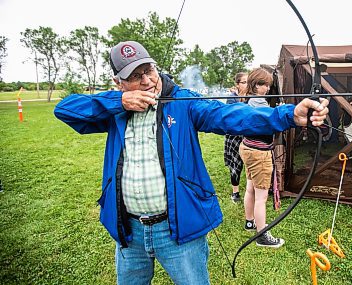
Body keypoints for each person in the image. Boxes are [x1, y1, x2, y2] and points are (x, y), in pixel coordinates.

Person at [54, 41, 329, 285]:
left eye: (148, 70)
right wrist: (120, 102)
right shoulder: (115, 108)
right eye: (135, 77)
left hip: (177, 229)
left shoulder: (183, 101)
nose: (147, 81)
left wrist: (289, 115)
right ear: (119, 83)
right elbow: (65, 109)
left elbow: (230, 115)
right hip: (129, 230)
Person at [239, 68, 284, 248]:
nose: (265, 88)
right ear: (253, 85)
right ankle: (261, 235)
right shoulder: (261, 106)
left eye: (267, 85)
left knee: (251, 187)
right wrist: (279, 113)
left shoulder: (248, 100)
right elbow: (273, 125)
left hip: (247, 148)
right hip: (259, 153)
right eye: (261, 84)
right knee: (261, 197)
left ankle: (250, 222)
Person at [224, 72, 247, 203]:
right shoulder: (232, 98)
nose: (247, 85)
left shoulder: (251, 97)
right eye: (244, 82)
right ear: (237, 84)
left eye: (248, 82)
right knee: (235, 164)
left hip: (247, 135)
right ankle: (235, 193)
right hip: (234, 136)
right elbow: (231, 116)